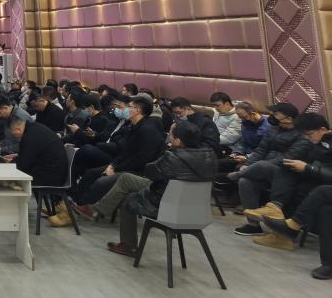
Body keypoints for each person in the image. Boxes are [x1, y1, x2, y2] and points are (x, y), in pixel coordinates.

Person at [96, 121, 217, 257]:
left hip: (167, 205)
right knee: (127, 179)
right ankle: (100, 210)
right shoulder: (210, 155)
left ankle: (128, 245)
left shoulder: (173, 156)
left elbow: (150, 173)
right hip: (196, 210)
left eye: (170, 134)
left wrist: (168, 151)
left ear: (177, 141)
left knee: (128, 200)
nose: (168, 137)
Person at [243, 113, 330, 249]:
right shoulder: (315, 142)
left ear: (322, 130)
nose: (308, 138)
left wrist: (308, 168)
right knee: (286, 168)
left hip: (324, 182)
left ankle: (284, 234)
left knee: (300, 190)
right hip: (315, 177)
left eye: (309, 135)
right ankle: (275, 207)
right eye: (305, 136)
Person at [229, 102, 310, 235]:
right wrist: (248, 164)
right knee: (245, 182)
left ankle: (236, 175)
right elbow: (261, 150)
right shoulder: (273, 129)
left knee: (261, 165)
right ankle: (253, 225)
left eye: (276, 114)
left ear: (289, 118)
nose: (272, 117)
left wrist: (258, 165)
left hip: (286, 172)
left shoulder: (302, 135)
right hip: (264, 169)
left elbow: (288, 158)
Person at [69, 96, 165, 207]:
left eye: (129, 107)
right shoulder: (135, 126)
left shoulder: (147, 129)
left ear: (138, 110)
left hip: (138, 172)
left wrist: (116, 168)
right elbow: (126, 152)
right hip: (123, 164)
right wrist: (113, 165)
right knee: (90, 172)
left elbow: (141, 159)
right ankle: (77, 203)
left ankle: (84, 206)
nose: (126, 109)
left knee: (99, 181)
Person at [4, 118, 67, 187]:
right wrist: (17, 156)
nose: (15, 138)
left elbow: (22, 165)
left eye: (13, 135)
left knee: (10, 176)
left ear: (18, 130)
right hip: (56, 172)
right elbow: (33, 154)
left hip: (50, 177)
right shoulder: (34, 127)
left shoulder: (28, 137)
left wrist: (10, 164)